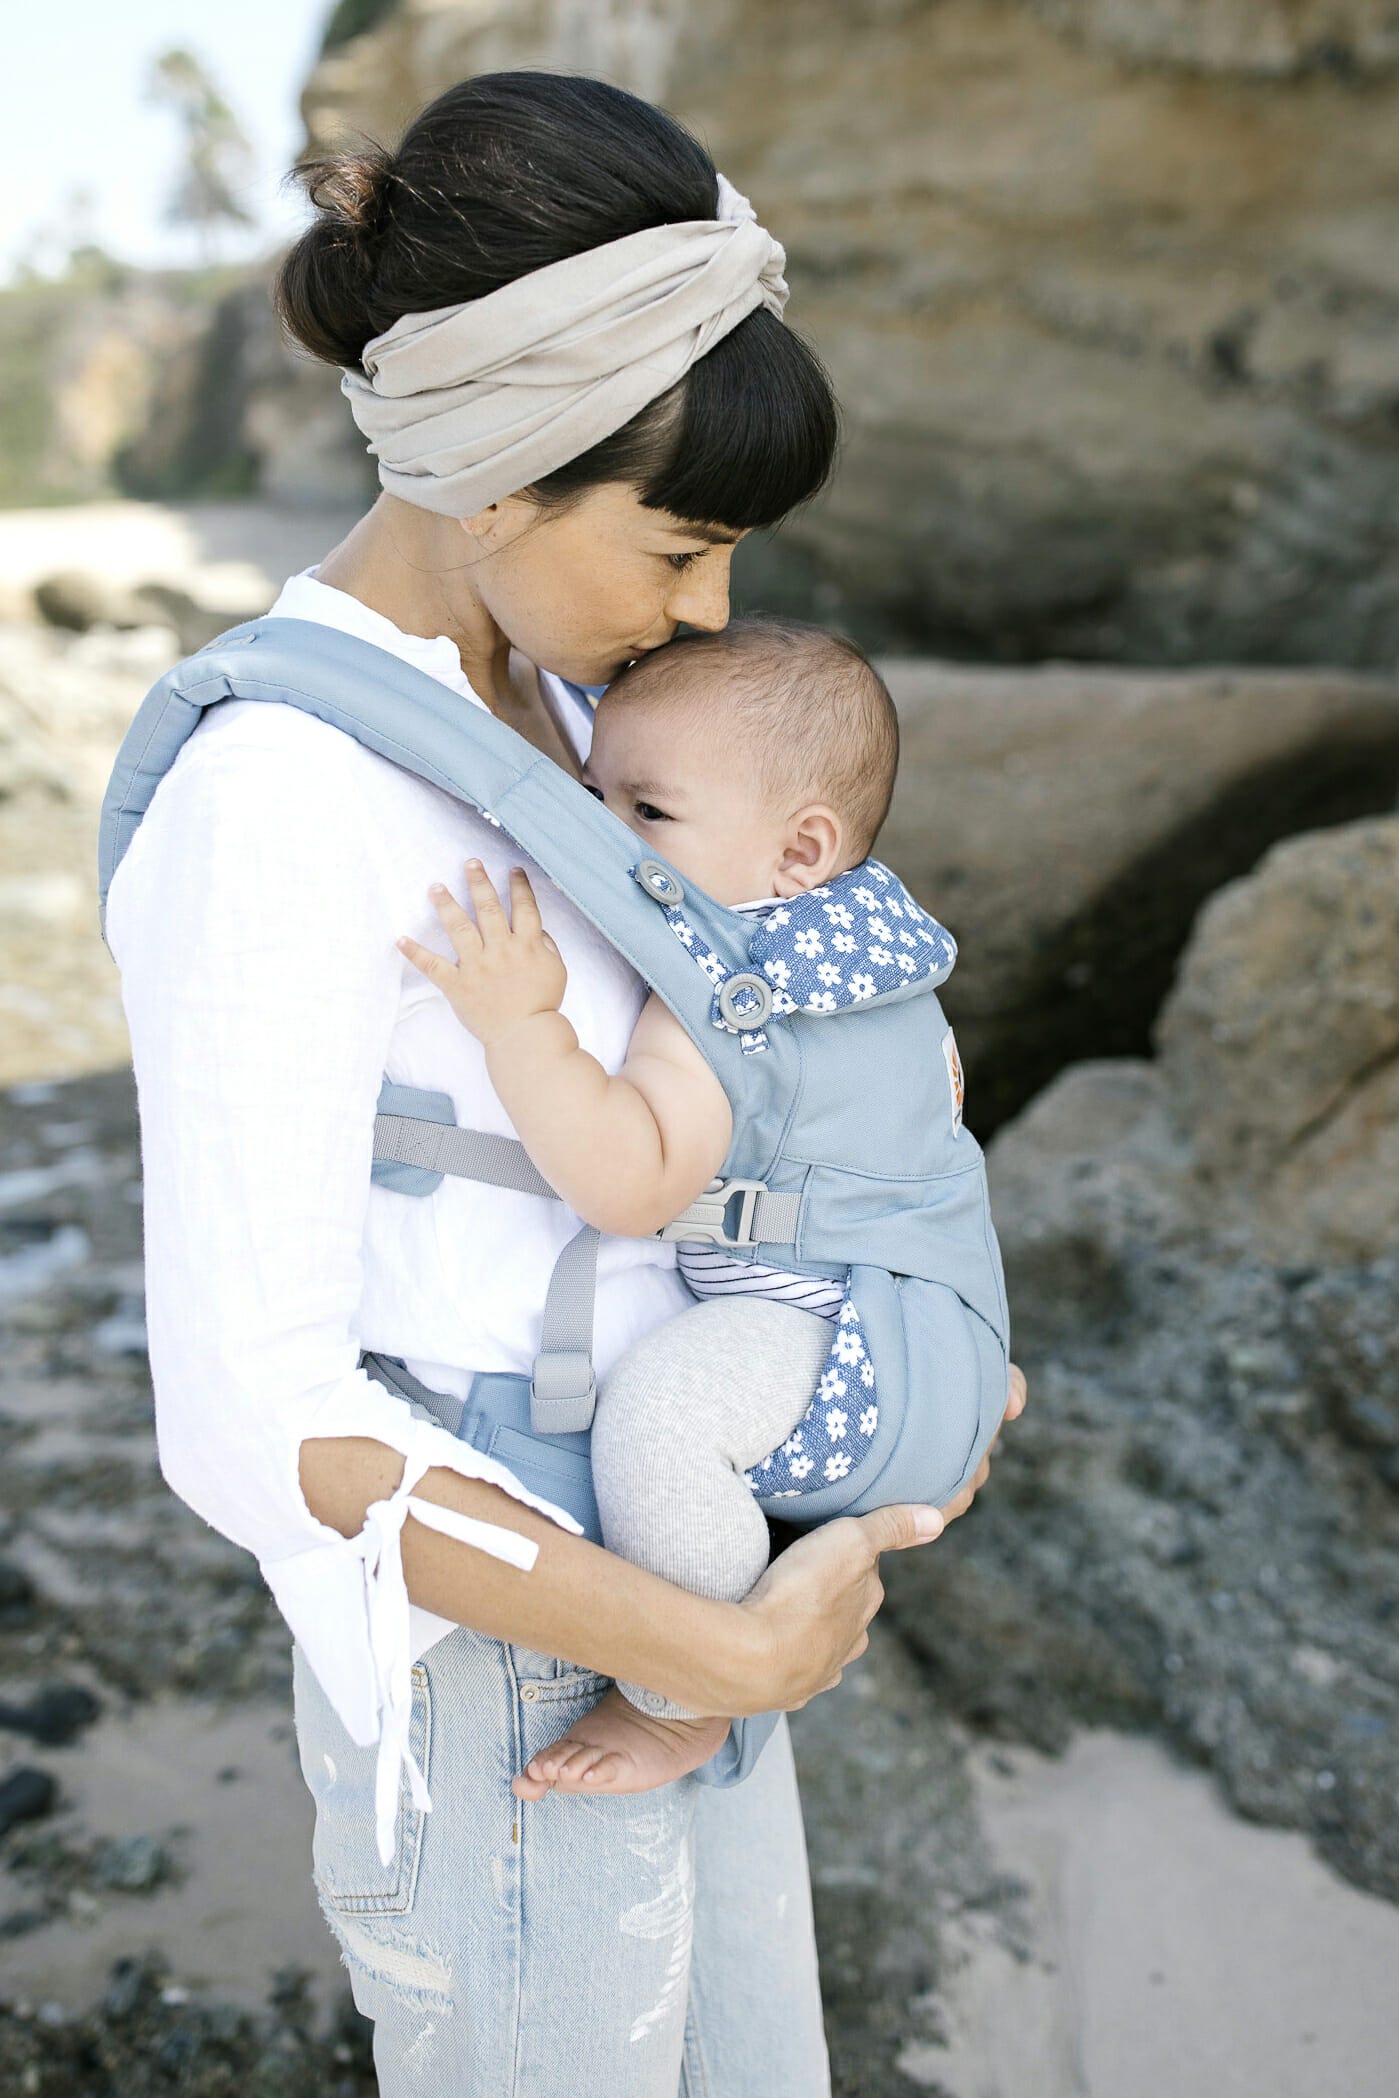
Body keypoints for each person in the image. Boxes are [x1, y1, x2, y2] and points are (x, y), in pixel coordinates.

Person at [104, 71, 1026, 2098]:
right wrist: (706, 1641)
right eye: (682, 543)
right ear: (502, 468)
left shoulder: (604, 721)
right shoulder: (282, 788)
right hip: (506, 1606)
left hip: (690, 1558)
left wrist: (911, 1363)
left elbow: (807, 1051)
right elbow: (249, 1407)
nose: (709, 611)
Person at [398, 616, 988, 1799]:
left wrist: (522, 1026)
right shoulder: (867, 951)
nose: (603, 840)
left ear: (797, 849)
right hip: (937, 1335)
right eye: (589, 793)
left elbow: (629, 1185)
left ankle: (680, 1701)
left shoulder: (733, 994)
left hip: (850, 1354)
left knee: (661, 1418)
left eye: (647, 813)